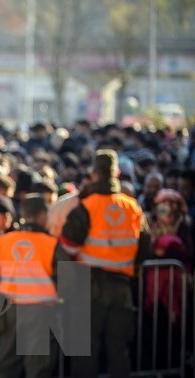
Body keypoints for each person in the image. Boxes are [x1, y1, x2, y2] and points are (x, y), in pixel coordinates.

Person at [60, 149, 152, 378]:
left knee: (85, 352)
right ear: (117, 174)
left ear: (94, 174)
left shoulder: (86, 206)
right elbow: (144, 249)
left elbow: (68, 246)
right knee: (118, 351)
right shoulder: (132, 207)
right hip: (122, 289)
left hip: (90, 288)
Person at [0, 194, 69, 378]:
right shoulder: (50, 244)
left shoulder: (4, 241)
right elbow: (67, 280)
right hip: (40, 313)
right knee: (38, 368)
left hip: (8, 311)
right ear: (42, 215)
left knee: (4, 366)